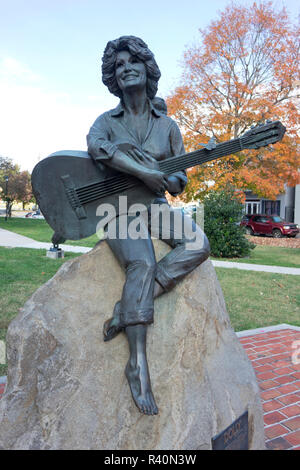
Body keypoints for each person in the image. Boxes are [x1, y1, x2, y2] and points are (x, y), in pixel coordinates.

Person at [87, 36, 210, 416]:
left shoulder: (168, 125)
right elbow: (97, 148)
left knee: (197, 242)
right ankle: (137, 364)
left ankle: (127, 310)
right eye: (118, 64)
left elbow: (180, 180)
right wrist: (142, 170)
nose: (125, 67)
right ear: (114, 77)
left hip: (154, 204)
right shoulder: (106, 122)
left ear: (146, 68)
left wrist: (167, 180)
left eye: (132, 61)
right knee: (141, 261)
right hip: (118, 209)